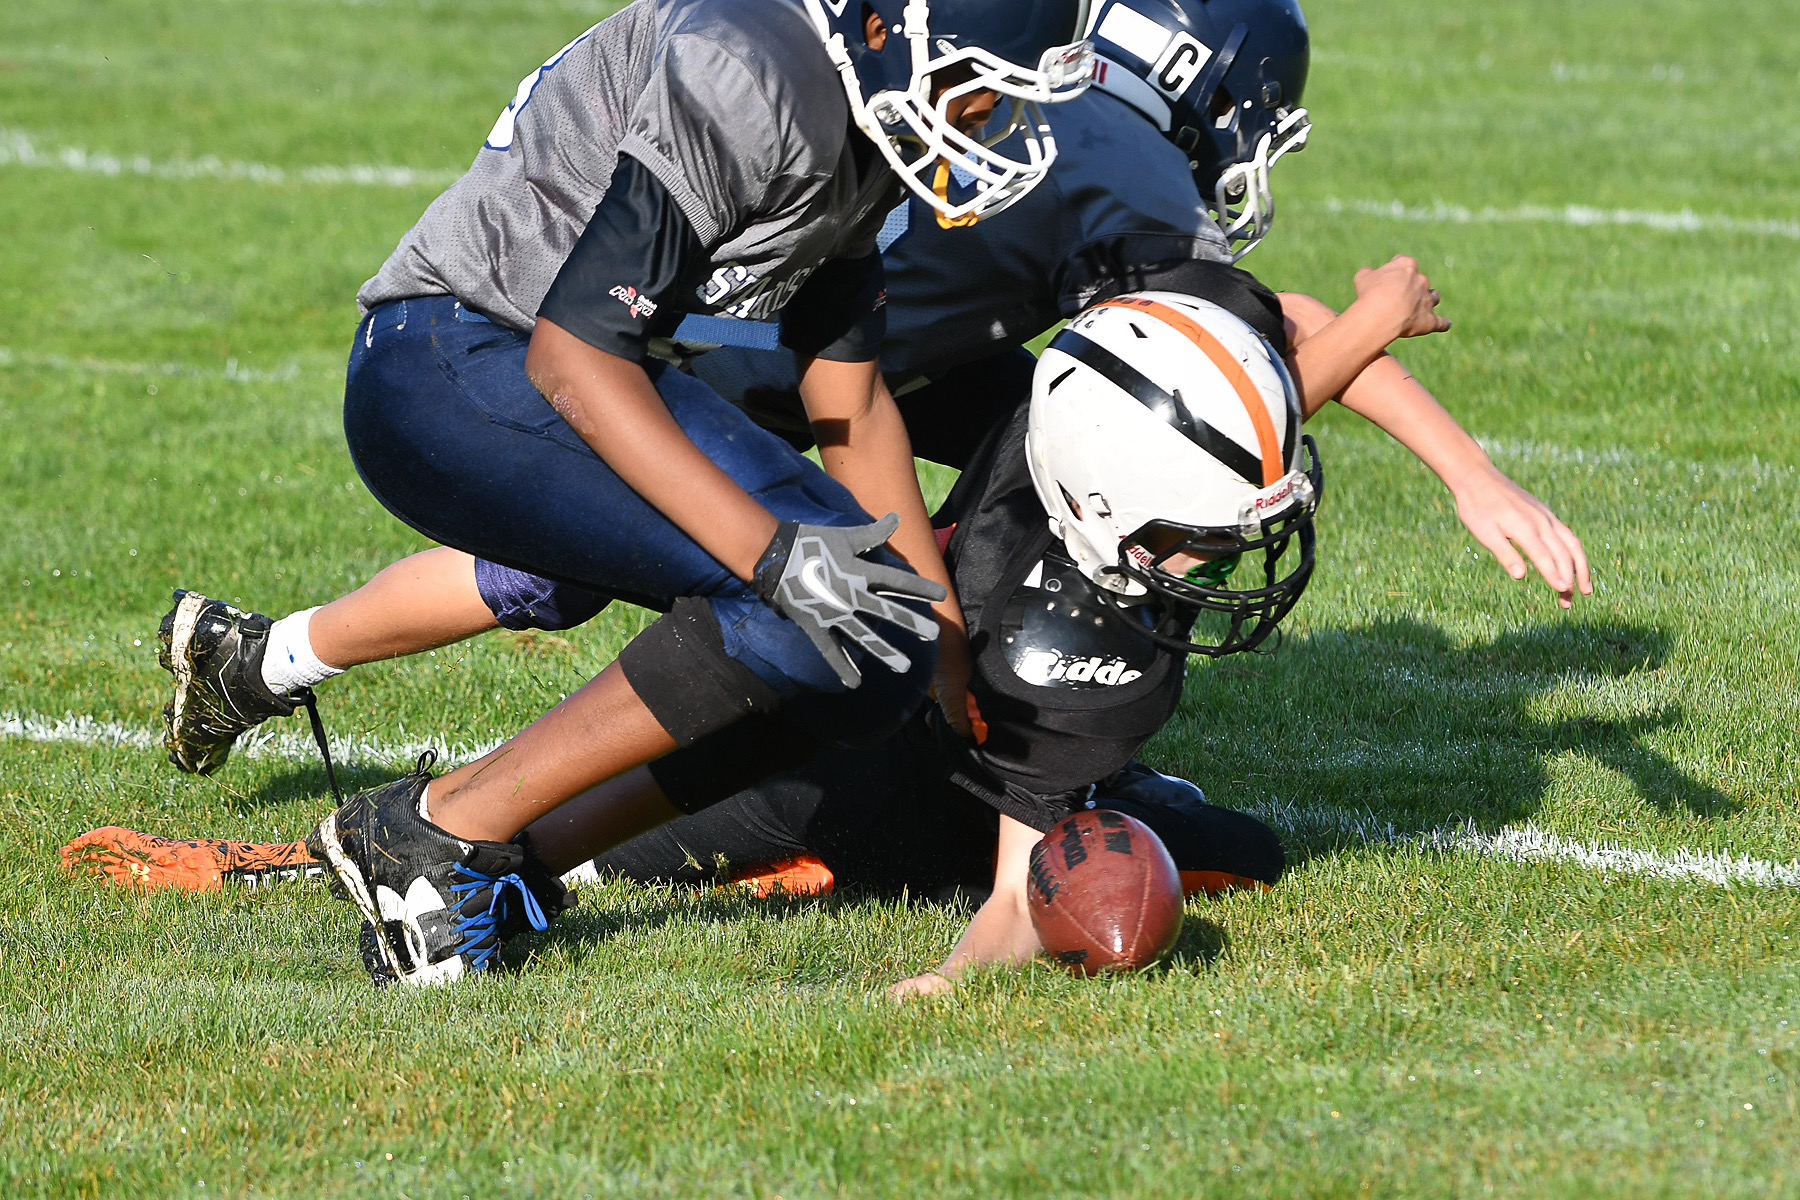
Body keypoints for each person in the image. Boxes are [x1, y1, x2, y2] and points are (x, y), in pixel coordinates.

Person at [154, 0, 1096, 988]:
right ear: (882, 31)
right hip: (449, 361)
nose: (986, 116)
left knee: (877, 644)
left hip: (554, 367)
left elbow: (849, 398)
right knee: (817, 599)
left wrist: (939, 646)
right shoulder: (753, 66)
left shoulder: (854, 102)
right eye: (976, 82)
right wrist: (778, 558)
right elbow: (573, 354)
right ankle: (439, 830)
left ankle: (506, 866)